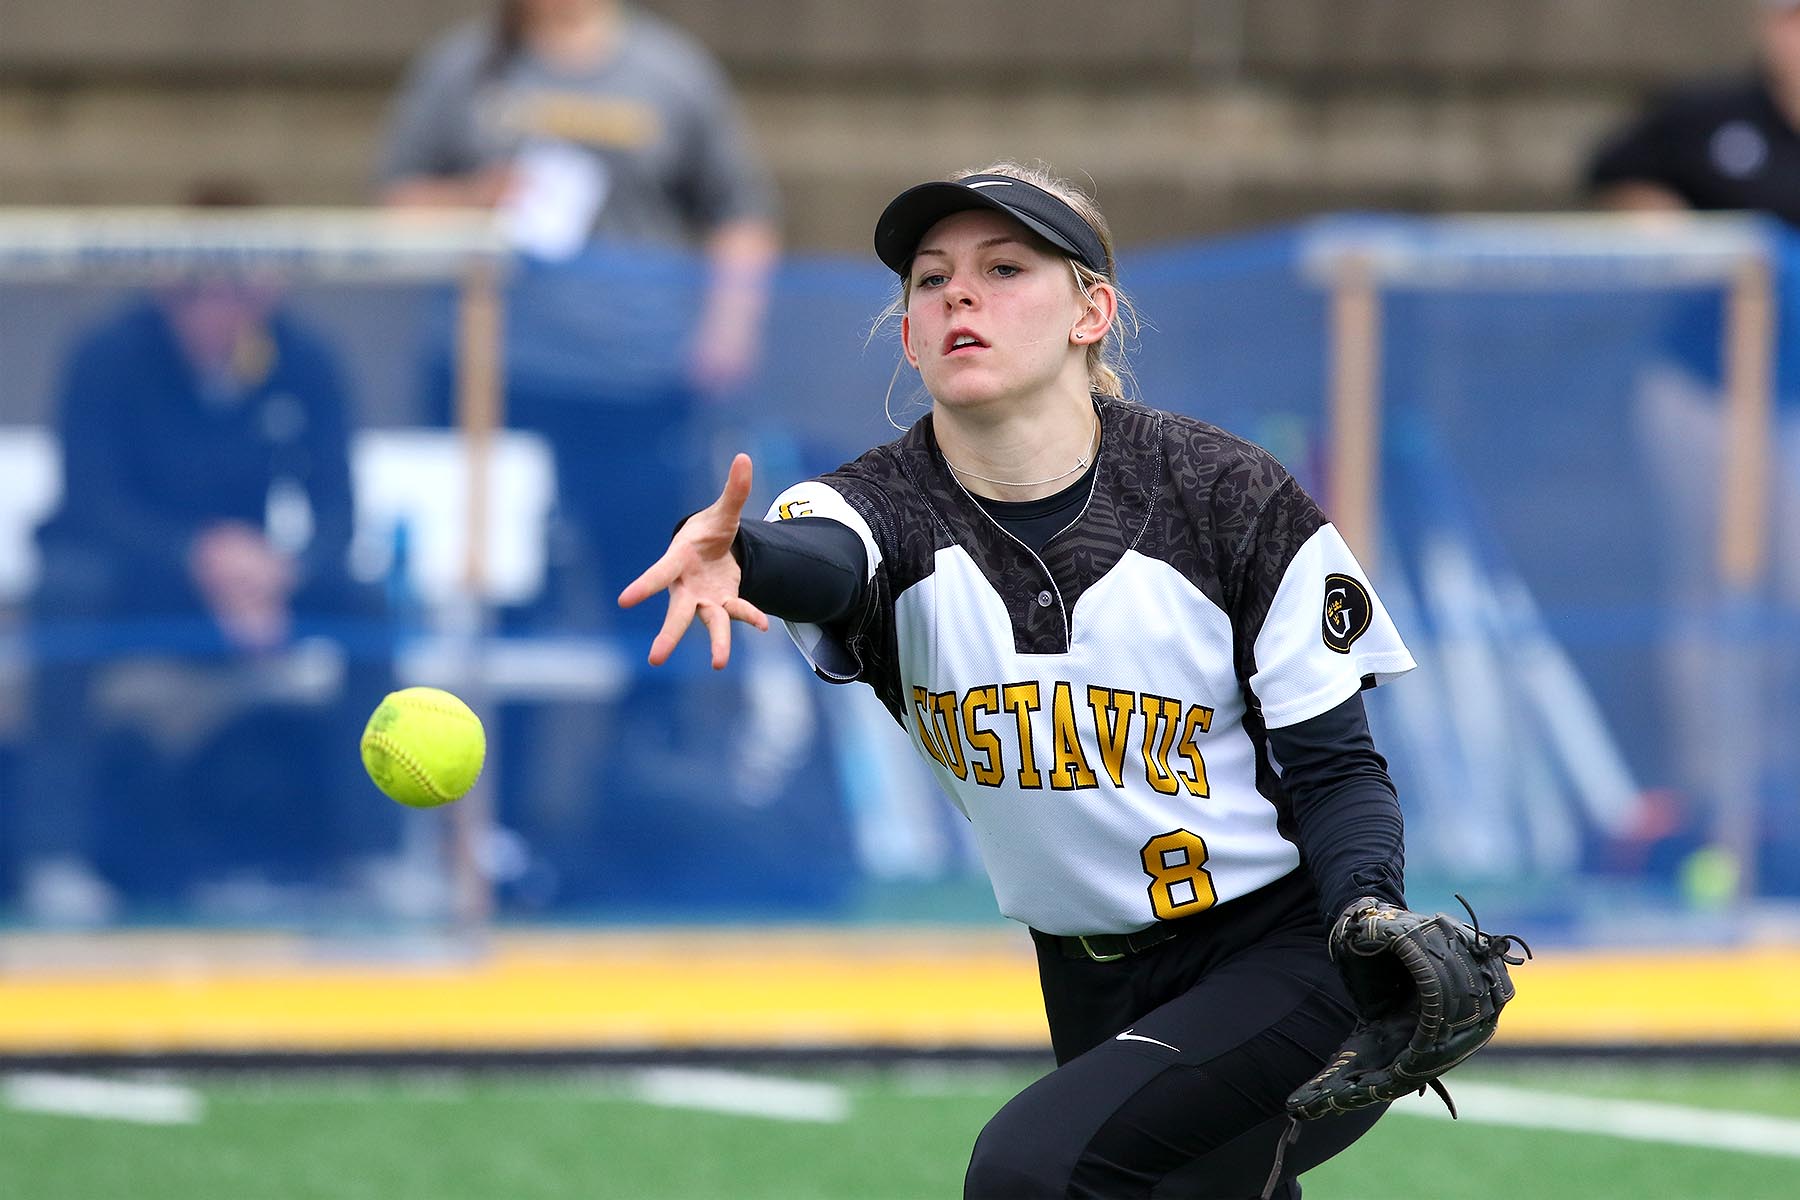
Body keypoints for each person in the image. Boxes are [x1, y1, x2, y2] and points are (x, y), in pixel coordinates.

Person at [620, 162, 1424, 1198]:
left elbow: (1339, 769)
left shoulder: (1227, 495)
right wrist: (751, 560)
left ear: (1093, 312)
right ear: (909, 334)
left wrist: (1369, 914)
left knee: (1029, 1173)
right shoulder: (882, 507)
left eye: (1005, 268)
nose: (959, 293)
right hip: (1087, 978)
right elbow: (826, 555)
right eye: (929, 279)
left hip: (1289, 961)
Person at [15, 249, 398, 924]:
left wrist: (286, 571)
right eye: (218, 295)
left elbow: (337, 508)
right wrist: (198, 557)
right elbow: (92, 502)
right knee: (66, 594)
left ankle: (376, 855)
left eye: (251, 295)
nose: (235, 317)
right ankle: (55, 859)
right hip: (139, 576)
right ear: (173, 289)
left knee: (365, 601)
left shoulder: (301, 357)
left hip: (259, 585)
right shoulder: (109, 354)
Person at [1585, 0, 1800, 888]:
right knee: (1713, 602)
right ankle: (1724, 812)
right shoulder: (1714, 119)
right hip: (1711, 395)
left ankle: (1782, 815)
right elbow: (1617, 172)